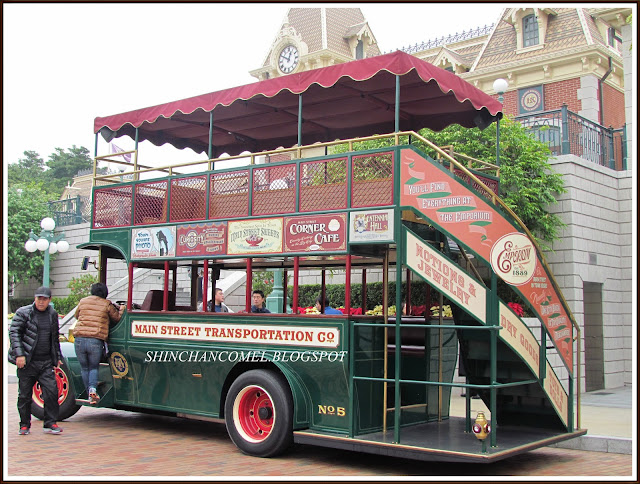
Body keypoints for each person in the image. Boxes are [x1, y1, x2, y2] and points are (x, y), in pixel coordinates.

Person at [8, 287, 63, 435]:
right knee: (25, 395)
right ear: (35, 298)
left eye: (44, 299)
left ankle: (50, 422)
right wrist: (20, 355)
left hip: (45, 362)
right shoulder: (23, 313)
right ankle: (24, 424)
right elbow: (14, 333)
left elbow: (55, 338)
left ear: (49, 300)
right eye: (39, 298)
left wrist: (57, 357)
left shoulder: (52, 314)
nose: (41, 301)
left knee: (52, 392)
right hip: (27, 362)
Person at [73, 282, 124, 404]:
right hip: (95, 340)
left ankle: (89, 393)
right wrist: (122, 310)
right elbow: (116, 318)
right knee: (94, 367)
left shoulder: (83, 301)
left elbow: (76, 316)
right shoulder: (106, 304)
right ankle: (93, 390)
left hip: (79, 339)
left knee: (85, 368)